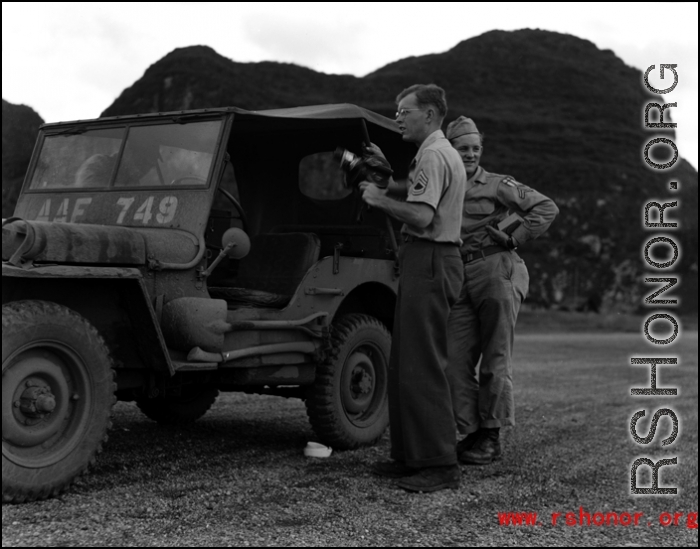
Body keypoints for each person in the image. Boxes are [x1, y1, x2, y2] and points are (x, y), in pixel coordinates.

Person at [359, 84, 466, 492]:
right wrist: (388, 184)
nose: (399, 117)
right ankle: (410, 458)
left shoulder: (435, 155)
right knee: (405, 361)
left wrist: (378, 199)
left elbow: (422, 217)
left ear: (431, 115)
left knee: (423, 365)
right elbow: (422, 197)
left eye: (405, 111)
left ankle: (440, 464)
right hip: (425, 260)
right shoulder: (433, 154)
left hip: (432, 258)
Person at [444, 116, 559, 465]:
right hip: (459, 273)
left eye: (475, 148)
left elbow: (546, 207)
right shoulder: (443, 184)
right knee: (453, 358)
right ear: (449, 148)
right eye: (463, 148)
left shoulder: (496, 185)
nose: (470, 154)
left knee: (495, 358)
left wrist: (515, 236)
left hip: (497, 269)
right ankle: (472, 430)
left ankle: (491, 437)